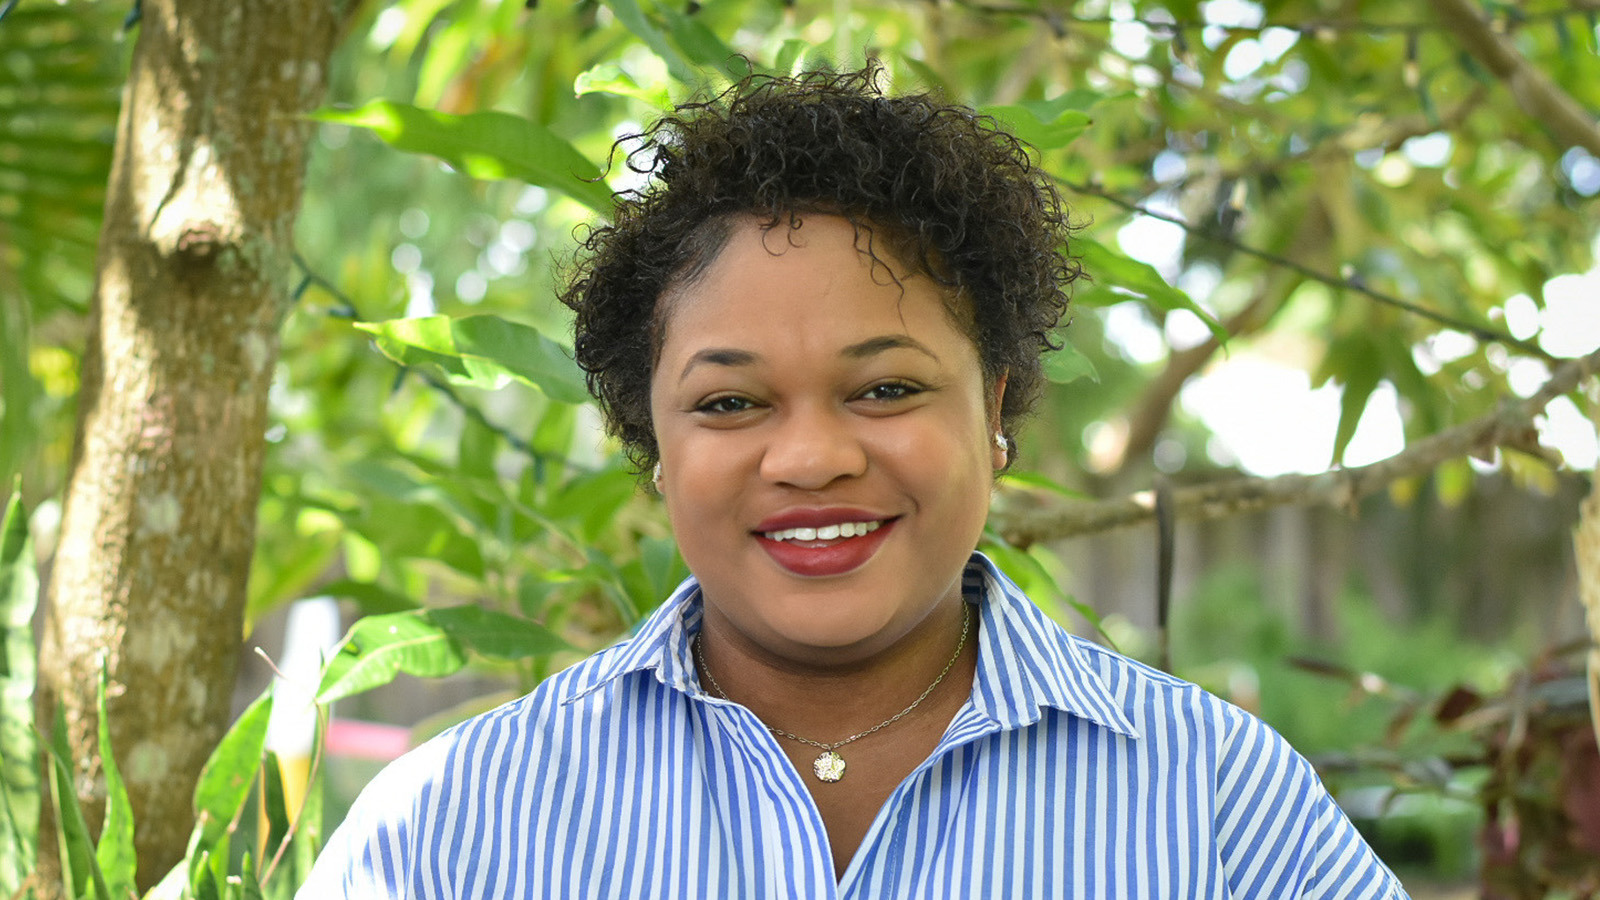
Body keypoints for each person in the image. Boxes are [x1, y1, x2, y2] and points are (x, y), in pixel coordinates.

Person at [299, 67, 1409, 898]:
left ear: (997, 408)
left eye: (884, 391)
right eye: (730, 403)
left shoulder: (1210, 799)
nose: (810, 457)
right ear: (653, 444)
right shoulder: (454, 828)